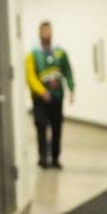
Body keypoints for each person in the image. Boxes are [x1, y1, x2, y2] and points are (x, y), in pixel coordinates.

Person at [26, 21, 75, 169]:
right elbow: (30, 76)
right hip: (40, 99)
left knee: (56, 127)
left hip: (57, 97)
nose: (47, 34)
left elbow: (68, 71)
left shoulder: (60, 52)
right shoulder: (33, 54)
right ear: (39, 33)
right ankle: (43, 158)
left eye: (49, 31)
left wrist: (71, 89)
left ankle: (55, 158)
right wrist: (42, 91)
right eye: (44, 31)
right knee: (41, 126)